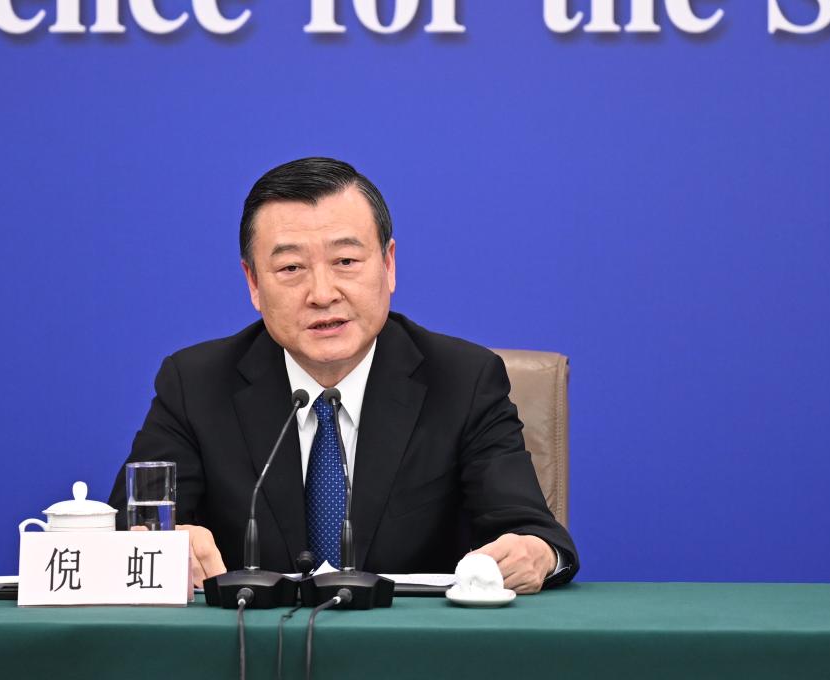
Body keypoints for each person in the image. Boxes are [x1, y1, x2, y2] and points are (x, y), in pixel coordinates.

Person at [109, 157, 578, 593]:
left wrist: (534, 553)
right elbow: (125, 532)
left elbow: (535, 534)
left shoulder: (463, 380)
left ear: (388, 265)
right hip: (249, 642)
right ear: (253, 283)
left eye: (346, 262)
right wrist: (160, 544)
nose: (322, 293)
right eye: (291, 267)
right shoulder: (195, 384)